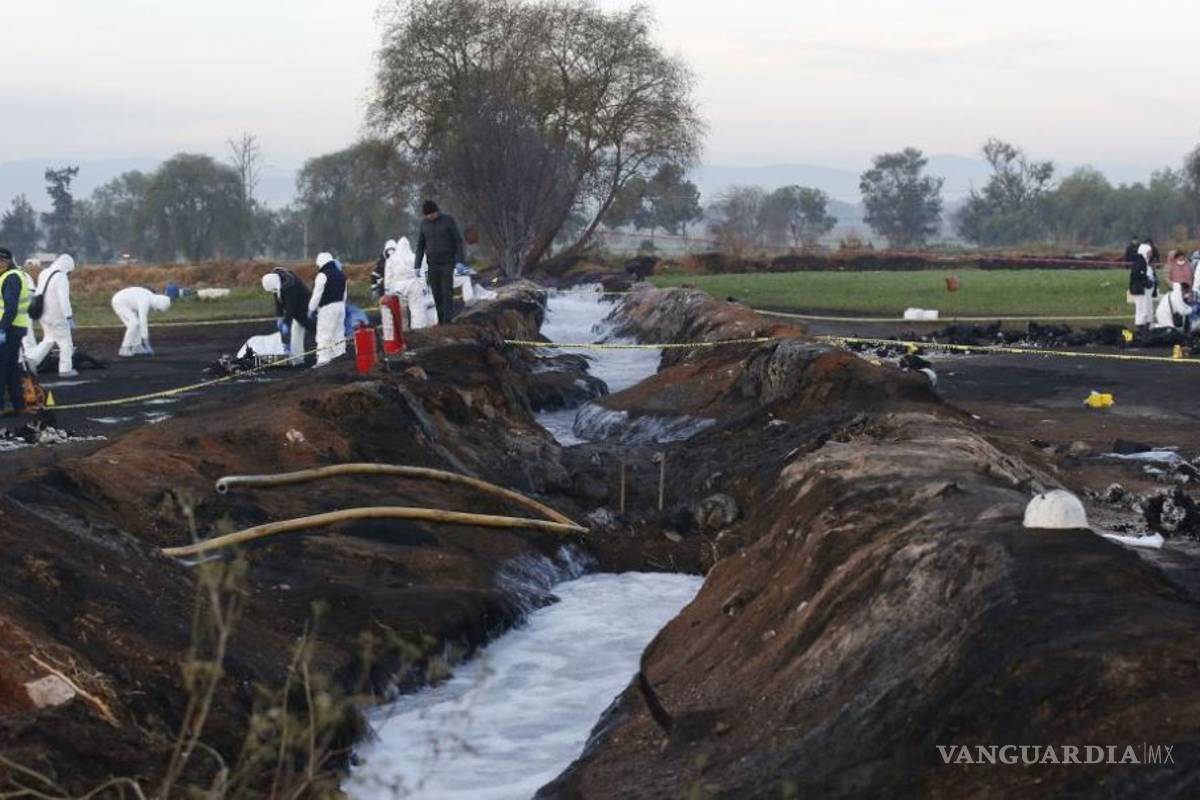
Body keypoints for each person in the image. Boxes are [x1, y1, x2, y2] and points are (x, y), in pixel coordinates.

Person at [411, 200, 466, 324]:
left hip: (447, 262)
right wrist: (417, 265)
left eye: (432, 214)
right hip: (432, 264)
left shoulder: (447, 220)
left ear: (437, 211)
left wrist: (460, 260)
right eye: (428, 215)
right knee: (436, 292)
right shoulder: (424, 224)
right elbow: (420, 246)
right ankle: (441, 320)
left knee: (446, 290)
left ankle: (448, 320)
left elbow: (458, 241)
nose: (430, 216)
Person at [26, 254, 78, 377]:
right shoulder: (61, 277)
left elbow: (38, 293)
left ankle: (32, 359)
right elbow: (63, 299)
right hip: (57, 316)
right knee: (66, 343)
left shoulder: (44, 273)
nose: (69, 274)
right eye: (70, 271)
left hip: (43, 314)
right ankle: (65, 370)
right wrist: (69, 317)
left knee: (49, 339)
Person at [0, 248, 32, 416]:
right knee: (11, 369)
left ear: (7, 261)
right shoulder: (10, 275)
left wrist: (2, 329)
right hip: (14, 329)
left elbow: (10, 307)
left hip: (9, 330)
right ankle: (19, 406)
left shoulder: (11, 277)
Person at [261, 267, 315, 365]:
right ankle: (298, 359)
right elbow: (277, 300)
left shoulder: (291, 285)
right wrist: (280, 316)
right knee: (296, 332)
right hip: (295, 308)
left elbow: (291, 306)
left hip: (303, 306)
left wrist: (286, 322)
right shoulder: (276, 281)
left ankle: (325, 345)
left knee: (309, 326)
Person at [384, 236, 438, 329]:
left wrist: (387, 291)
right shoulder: (414, 257)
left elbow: (388, 277)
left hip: (397, 287)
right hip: (413, 285)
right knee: (417, 310)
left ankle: (402, 331)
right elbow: (420, 273)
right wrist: (423, 287)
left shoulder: (391, 260)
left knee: (400, 311)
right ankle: (418, 330)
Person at [307, 252, 347, 366]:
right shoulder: (341, 274)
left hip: (327, 309)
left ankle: (323, 363)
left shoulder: (322, 275)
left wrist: (311, 309)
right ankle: (340, 361)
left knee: (324, 336)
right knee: (338, 335)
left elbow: (317, 295)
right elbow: (344, 294)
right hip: (340, 307)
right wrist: (341, 305)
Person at [111, 287, 172, 356]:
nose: (156, 311)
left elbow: (142, 322)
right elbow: (143, 320)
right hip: (119, 303)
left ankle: (137, 347)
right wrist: (146, 340)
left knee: (136, 324)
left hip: (129, 305)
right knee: (134, 323)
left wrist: (145, 339)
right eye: (158, 309)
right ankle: (124, 348)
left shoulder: (150, 298)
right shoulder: (145, 301)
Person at [1129, 241, 1157, 330]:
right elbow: (1136, 275)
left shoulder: (1147, 263)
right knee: (1142, 308)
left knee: (1148, 308)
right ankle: (1140, 325)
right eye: (1149, 252)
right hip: (1141, 290)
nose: (1151, 254)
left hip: (1148, 291)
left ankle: (1148, 324)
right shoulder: (1139, 263)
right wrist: (1146, 279)